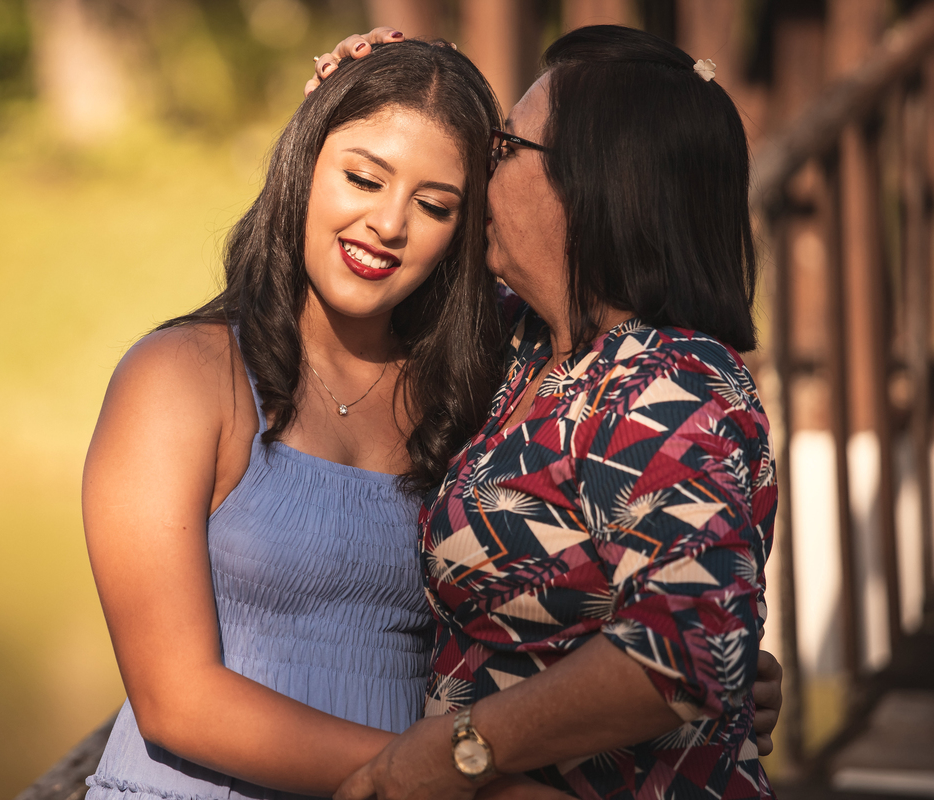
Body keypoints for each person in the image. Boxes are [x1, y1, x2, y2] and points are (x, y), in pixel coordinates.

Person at [82, 33, 782, 800]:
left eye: (497, 156)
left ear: (586, 186)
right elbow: (177, 698)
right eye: (361, 177)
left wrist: (715, 665)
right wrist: (461, 774)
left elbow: (675, 623)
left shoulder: (593, 378)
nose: (390, 224)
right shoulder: (501, 361)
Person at [310, 25, 780, 800]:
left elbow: (690, 645)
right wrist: (357, 95)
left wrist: (457, 751)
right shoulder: (520, 345)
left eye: (502, 150)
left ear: (589, 181)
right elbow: (360, 260)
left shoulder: (669, 386)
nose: (479, 172)